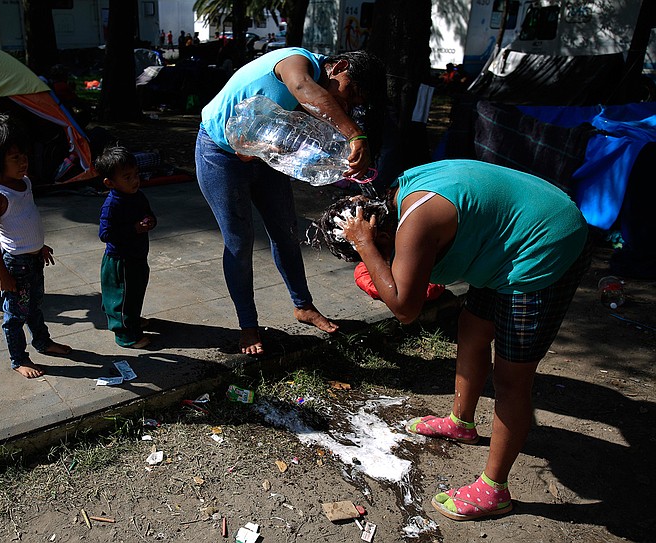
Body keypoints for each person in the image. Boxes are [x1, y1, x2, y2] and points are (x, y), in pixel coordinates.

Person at [324, 159, 590, 521]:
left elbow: (405, 309)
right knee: (472, 329)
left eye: (371, 250)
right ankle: (462, 422)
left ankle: (495, 490)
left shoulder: (414, 224)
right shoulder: (398, 197)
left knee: (512, 380)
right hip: (508, 239)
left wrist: (365, 248)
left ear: (382, 237)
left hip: (543, 244)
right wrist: (374, 254)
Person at [195, 47, 386, 355]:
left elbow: (290, 132)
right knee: (239, 241)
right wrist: (354, 134)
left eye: (353, 105)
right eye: (350, 92)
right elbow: (301, 88)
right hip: (220, 155)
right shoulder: (297, 61)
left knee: (286, 232)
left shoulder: (324, 99)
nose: (346, 105)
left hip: (259, 156)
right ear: (340, 66)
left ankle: (303, 306)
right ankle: (248, 326)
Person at [0, 114, 71, 378]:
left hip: (34, 259)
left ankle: (43, 342)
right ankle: (19, 359)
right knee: (15, 316)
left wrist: (40, 246)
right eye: (15, 158)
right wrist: (3, 275)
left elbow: (26, 218)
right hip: (16, 266)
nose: (23, 161)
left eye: (23, 155)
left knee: (35, 306)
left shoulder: (24, 182)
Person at [94, 145, 156, 349]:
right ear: (109, 183)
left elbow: (148, 213)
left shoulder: (137, 195)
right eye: (127, 177)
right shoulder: (112, 204)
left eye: (136, 174)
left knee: (135, 293)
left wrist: (150, 221)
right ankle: (124, 334)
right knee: (121, 297)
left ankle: (132, 319)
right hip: (120, 261)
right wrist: (134, 229)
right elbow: (105, 234)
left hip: (137, 256)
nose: (135, 180)